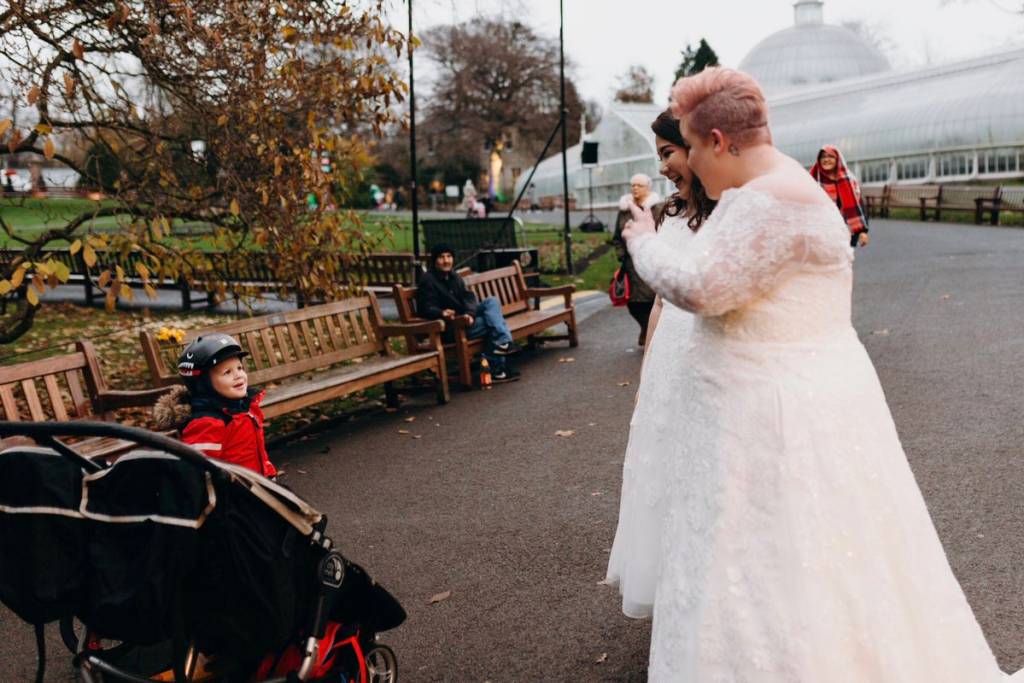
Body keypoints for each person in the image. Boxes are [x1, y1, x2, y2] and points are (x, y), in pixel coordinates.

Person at [618, 67, 1023, 681]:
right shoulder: (772, 192)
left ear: (722, 140)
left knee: (779, 563)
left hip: (771, 416)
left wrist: (643, 241)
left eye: (694, 148)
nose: (692, 163)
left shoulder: (773, 200)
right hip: (776, 403)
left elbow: (703, 289)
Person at [605, 109, 715, 619]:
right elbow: (661, 305)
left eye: (668, 154)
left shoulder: (726, 212)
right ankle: (670, 582)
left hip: (708, 352)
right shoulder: (669, 213)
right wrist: (648, 365)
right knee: (660, 467)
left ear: (694, 147)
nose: (664, 167)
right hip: (670, 350)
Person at [153, 333, 276, 478]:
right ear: (204, 384)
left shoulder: (246, 407)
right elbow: (199, 470)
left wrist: (268, 472)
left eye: (240, 368)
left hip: (257, 484)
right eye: (227, 372)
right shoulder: (208, 422)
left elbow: (258, 451)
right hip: (234, 493)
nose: (238, 375)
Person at [416, 244, 521, 383]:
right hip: (451, 328)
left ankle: (502, 343)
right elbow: (425, 308)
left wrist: (470, 314)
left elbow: (469, 297)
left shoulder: (454, 277)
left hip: (466, 320)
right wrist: (442, 313)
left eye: (449, 256)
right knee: (492, 324)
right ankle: (499, 362)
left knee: (492, 301)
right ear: (434, 260)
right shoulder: (428, 280)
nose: (446, 260)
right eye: (441, 257)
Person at [611, 173, 663, 345]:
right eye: (632, 185)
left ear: (648, 187)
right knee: (633, 302)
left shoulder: (658, 207)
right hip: (631, 264)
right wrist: (622, 254)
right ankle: (645, 327)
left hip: (653, 260)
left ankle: (651, 333)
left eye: (639, 185)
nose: (634, 188)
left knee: (652, 299)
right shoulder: (625, 210)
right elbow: (617, 237)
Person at [810, 144, 870, 247]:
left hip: (845, 231)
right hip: (821, 233)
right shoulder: (812, 180)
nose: (826, 159)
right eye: (823, 157)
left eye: (830, 156)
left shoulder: (849, 180)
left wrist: (862, 231)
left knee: (843, 261)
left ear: (837, 159)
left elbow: (859, 206)